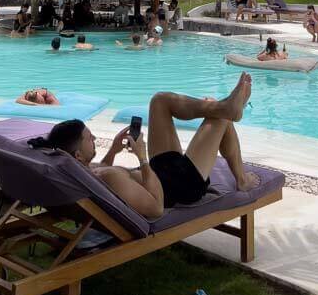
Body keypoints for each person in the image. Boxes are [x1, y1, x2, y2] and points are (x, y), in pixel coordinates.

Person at [27, 74, 258, 217]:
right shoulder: (108, 177)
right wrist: (142, 158)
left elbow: (103, 174)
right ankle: (241, 179)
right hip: (183, 184)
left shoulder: (83, 171)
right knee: (221, 122)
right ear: (77, 155)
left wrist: (114, 150)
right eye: (89, 138)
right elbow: (157, 208)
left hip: (161, 173)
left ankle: (223, 107)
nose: (95, 138)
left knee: (160, 100)